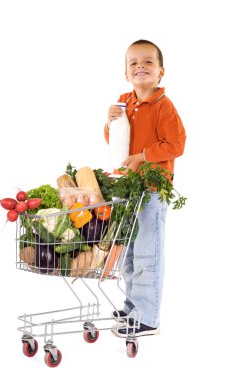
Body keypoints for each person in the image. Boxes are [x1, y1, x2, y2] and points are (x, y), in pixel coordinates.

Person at [104, 39, 186, 337]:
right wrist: (109, 122)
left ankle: (148, 316)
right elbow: (115, 141)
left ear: (160, 72)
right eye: (134, 62)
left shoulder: (164, 106)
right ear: (126, 73)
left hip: (151, 189)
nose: (141, 66)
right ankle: (132, 306)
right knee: (127, 251)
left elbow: (176, 144)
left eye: (148, 62)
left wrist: (142, 157)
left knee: (147, 254)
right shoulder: (125, 100)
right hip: (126, 188)